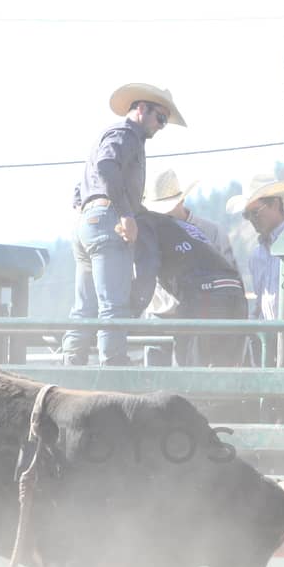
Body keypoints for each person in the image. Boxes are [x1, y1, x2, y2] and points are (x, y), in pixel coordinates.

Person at [63, 82, 184, 366]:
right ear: (141, 109)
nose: (161, 126)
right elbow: (106, 166)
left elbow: (83, 187)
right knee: (113, 306)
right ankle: (114, 367)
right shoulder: (126, 135)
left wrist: (92, 208)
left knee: (85, 307)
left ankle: (70, 365)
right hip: (107, 222)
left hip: (88, 223)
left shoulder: (109, 136)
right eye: (160, 118)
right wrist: (125, 214)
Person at [136, 210, 247, 366]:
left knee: (189, 371)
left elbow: (148, 272)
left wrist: (131, 312)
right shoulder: (186, 227)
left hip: (203, 296)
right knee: (225, 371)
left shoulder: (145, 225)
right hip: (234, 293)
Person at [230, 180, 284, 322]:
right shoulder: (257, 256)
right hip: (271, 338)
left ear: (274, 204)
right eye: (246, 215)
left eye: (255, 212)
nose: (251, 220)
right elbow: (261, 302)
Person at [146, 168, 237, 277]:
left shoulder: (213, 232)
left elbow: (232, 277)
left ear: (182, 200)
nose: (163, 215)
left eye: (168, 209)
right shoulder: (150, 237)